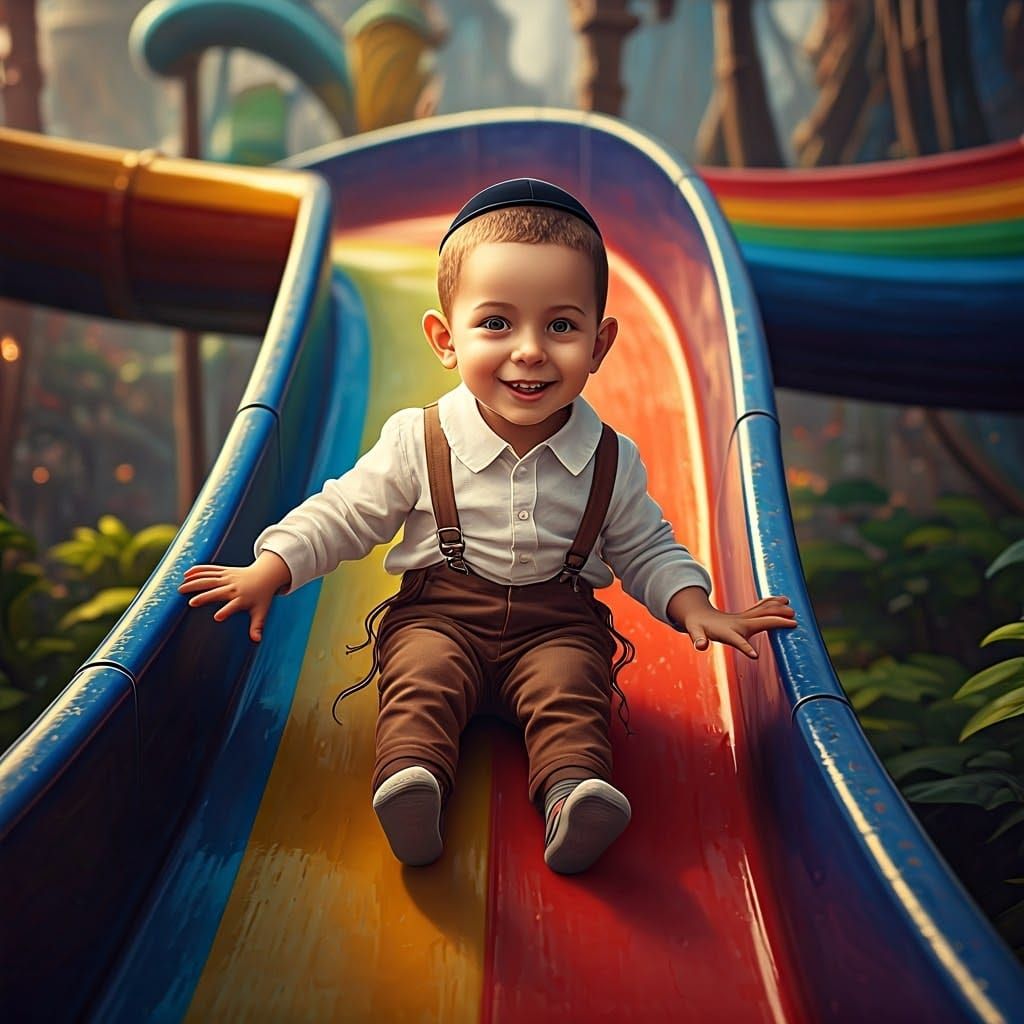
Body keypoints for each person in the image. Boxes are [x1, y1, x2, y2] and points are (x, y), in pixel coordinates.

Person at [179, 178, 798, 875]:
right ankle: (413, 782)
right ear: (446, 339)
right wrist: (274, 565)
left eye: (561, 326)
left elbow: (645, 545)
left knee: (572, 686)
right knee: (420, 674)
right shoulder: (421, 438)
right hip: (443, 613)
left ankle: (571, 797)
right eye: (497, 323)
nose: (530, 351)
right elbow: (346, 511)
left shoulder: (611, 459)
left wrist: (695, 606)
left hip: (555, 625)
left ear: (600, 343)